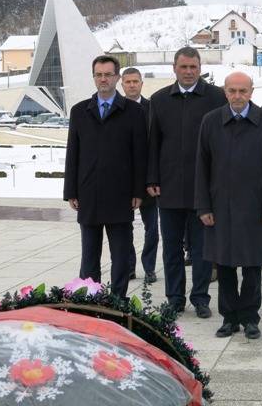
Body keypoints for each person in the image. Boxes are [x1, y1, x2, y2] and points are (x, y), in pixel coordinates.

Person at [195, 71, 262, 339]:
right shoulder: (211, 121)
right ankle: (229, 318)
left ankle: (250, 317)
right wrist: (203, 207)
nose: (237, 96)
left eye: (242, 91)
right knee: (224, 265)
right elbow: (202, 166)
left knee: (252, 265)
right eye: (232, 90)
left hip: (255, 207)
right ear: (225, 92)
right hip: (219, 206)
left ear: (252, 92)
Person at [147, 46, 227, 317]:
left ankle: (201, 297)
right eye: (184, 67)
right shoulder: (158, 100)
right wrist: (152, 178)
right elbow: (152, 144)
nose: (189, 72)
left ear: (200, 67)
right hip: (168, 187)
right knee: (171, 248)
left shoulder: (217, 98)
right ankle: (175, 298)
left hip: (203, 189)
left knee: (202, 247)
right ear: (174, 68)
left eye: (193, 67)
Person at [64, 55, 147, 298]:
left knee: (120, 254)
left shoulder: (134, 111)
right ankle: (91, 299)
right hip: (88, 193)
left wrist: (138, 191)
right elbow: (73, 153)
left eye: (108, 74)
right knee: (89, 255)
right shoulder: (80, 111)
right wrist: (71, 191)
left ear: (117, 78)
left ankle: (118, 301)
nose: (103, 79)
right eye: (98, 75)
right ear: (94, 77)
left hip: (121, 195)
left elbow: (140, 155)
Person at [121, 67, 159, 284]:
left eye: (135, 81)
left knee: (152, 228)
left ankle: (150, 267)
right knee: (124, 228)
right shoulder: (118, 109)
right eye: (128, 82)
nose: (132, 85)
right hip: (125, 180)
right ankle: (129, 266)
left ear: (141, 83)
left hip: (148, 180)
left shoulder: (152, 108)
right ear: (122, 84)